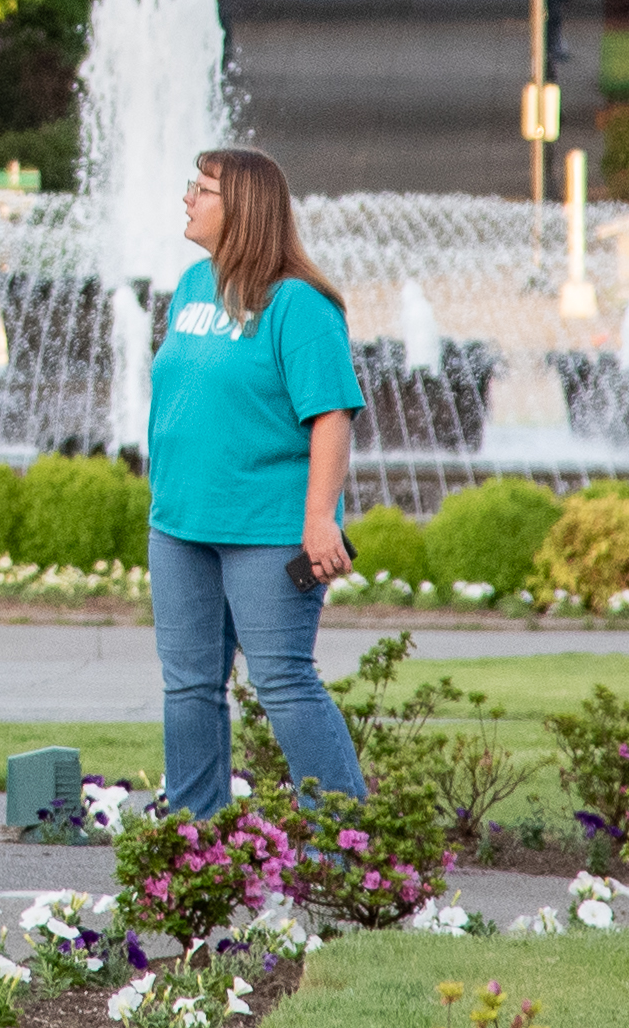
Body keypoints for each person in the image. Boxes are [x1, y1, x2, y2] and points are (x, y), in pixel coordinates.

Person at [144, 146, 367, 813]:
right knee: (187, 687)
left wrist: (319, 520)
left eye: (202, 188)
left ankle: (345, 851)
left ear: (241, 208)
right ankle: (196, 843)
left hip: (266, 529)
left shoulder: (297, 305)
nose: (187, 197)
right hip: (180, 525)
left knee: (281, 682)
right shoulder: (191, 285)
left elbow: (331, 414)